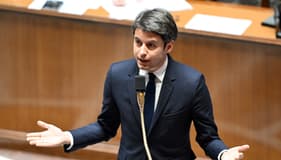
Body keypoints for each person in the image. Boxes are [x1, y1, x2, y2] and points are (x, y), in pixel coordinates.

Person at [26, 8, 250, 160]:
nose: (141, 52)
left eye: (151, 45)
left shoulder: (191, 83)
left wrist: (223, 154)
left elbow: (207, 137)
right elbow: (106, 126)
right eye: (137, 42)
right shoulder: (117, 74)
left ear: (169, 47)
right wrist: (69, 136)